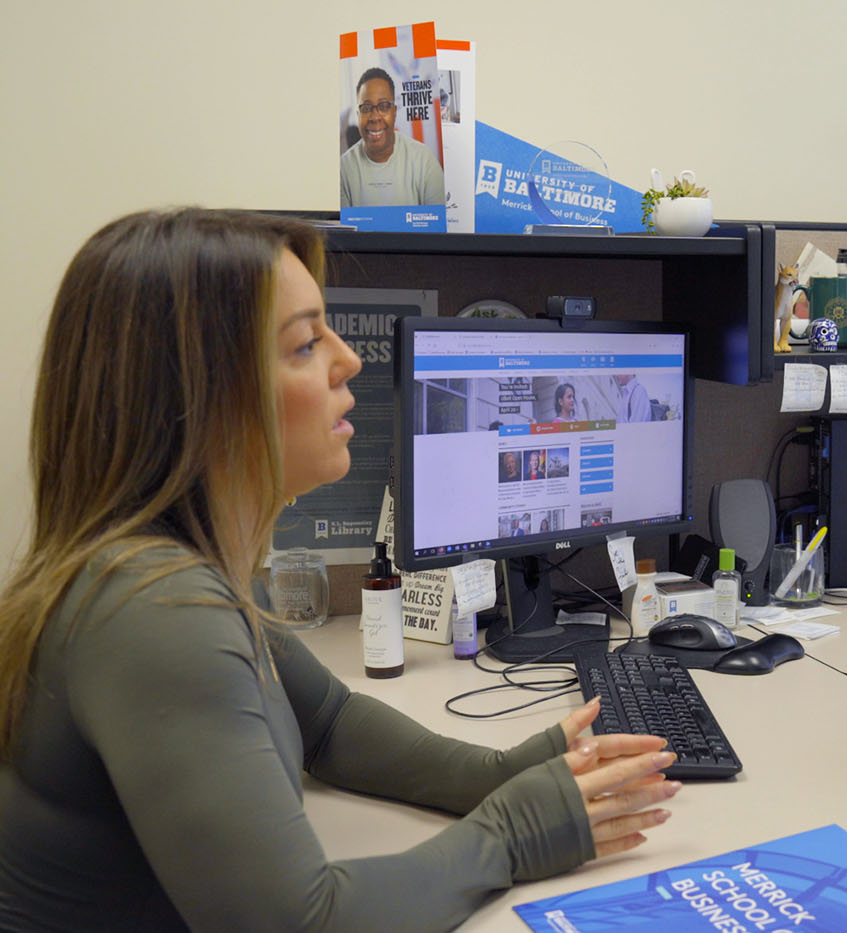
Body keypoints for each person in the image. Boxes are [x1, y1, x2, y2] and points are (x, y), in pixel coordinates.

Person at [0, 209, 679, 930]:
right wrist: (512, 831)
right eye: (303, 343)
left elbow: (330, 723)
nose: (347, 359)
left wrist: (503, 772)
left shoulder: (178, 567)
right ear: (197, 399)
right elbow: (303, 923)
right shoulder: (153, 611)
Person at [339, 67, 446, 208]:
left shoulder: (424, 160)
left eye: (383, 106)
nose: (375, 117)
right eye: (366, 108)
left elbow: (438, 226)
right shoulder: (343, 169)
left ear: (394, 112)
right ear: (358, 115)